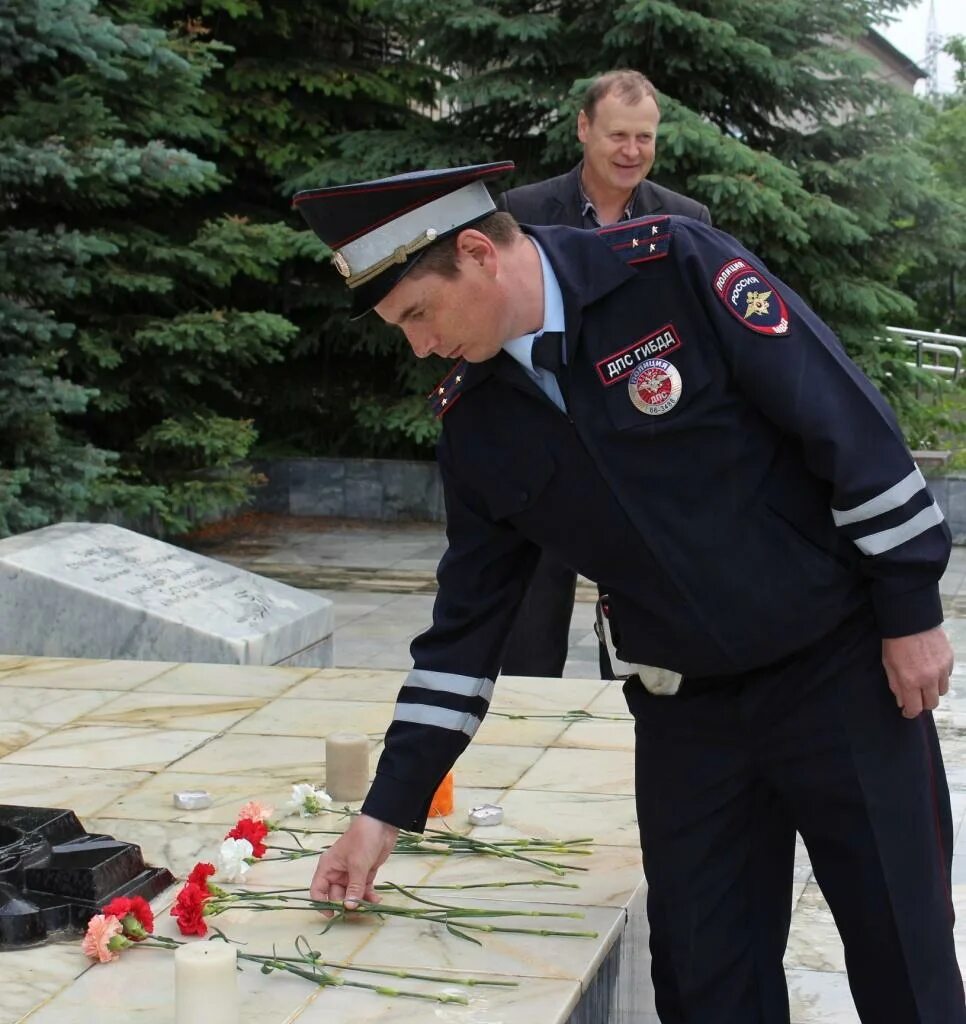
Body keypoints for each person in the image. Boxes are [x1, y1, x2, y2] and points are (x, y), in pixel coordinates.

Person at [292, 161, 964, 1023]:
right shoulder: (477, 422)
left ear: (476, 253)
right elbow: (463, 631)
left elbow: (844, 422)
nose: (418, 345)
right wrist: (383, 813)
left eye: (418, 314)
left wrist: (910, 610)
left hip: (838, 677)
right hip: (687, 720)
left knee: (905, 959)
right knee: (705, 983)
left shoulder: (673, 271)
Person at [498, 69, 710, 677]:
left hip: (644, 442)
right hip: (548, 439)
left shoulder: (684, 218)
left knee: (647, 629)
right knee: (531, 622)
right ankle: (529, 718)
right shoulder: (524, 210)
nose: (632, 151)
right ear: (584, 128)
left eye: (645, 138)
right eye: (619, 135)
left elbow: (696, 332)